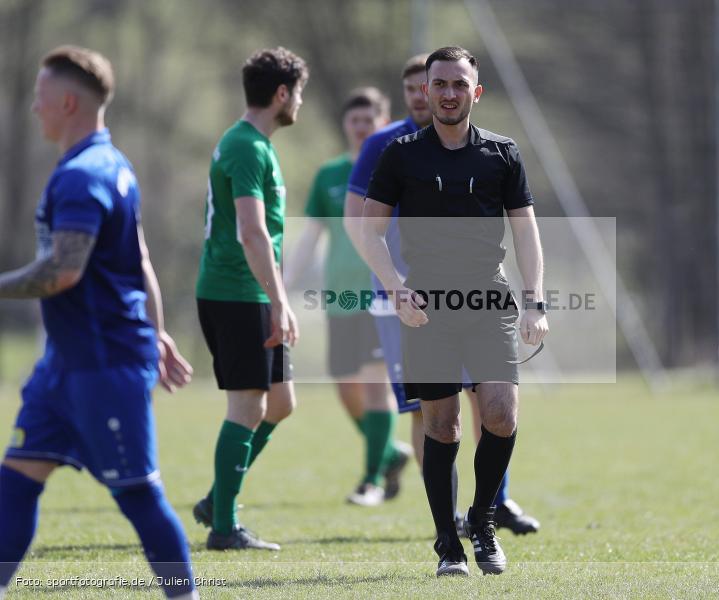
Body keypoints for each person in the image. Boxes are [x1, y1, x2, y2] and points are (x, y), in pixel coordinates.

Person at [0, 46, 197, 599]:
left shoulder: (83, 175)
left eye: (39, 97)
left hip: (103, 364)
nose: (34, 108)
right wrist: (158, 330)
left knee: (138, 494)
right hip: (64, 365)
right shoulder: (112, 164)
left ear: (67, 103)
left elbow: (63, 272)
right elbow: (140, 260)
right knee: (16, 480)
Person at [360, 46, 548, 577]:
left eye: (458, 84)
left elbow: (526, 231)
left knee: (501, 414)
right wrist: (396, 289)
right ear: (426, 90)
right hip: (428, 306)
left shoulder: (502, 153)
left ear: (475, 92)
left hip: (490, 300)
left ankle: (483, 520)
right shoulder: (400, 154)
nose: (447, 93)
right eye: (438, 84)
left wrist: (535, 300)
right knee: (441, 426)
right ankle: (448, 543)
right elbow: (369, 231)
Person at [193, 47, 307, 551]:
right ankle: (223, 527)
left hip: (253, 291)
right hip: (237, 292)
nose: (299, 102)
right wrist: (279, 301)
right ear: (281, 93)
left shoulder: (257, 144)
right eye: (298, 93)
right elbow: (251, 231)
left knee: (280, 403)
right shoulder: (245, 146)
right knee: (247, 405)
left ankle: (217, 498)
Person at [283, 87, 412, 507]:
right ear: (345, 124)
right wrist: (283, 284)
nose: (360, 127)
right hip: (340, 296)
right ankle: (389, 453)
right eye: (354, 120)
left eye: (368, 120)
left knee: (376, 385)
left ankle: (371, 480)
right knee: (346, 389)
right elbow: (310, 236)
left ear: (383, 122)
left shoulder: (395, 167)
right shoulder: (329, 175)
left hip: (381, 293)